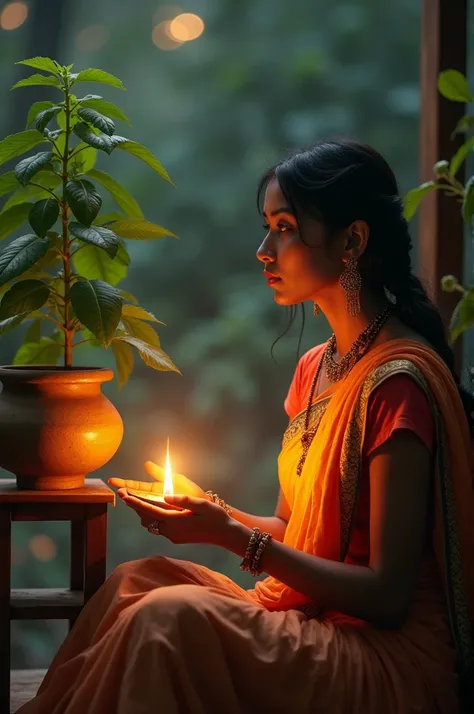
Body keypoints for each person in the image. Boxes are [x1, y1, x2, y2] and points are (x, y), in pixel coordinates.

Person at [18, 140, 474, 714]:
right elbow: (288, 526)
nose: (264, 250)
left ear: (352, 241)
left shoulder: (397, 382)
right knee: (138, 583)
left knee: (168, 619)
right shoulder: (317, 367)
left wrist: (233, 537)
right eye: (267, 227)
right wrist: (207, 512)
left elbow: (385, 595)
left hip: (382, 656)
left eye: (285, 227)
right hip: (313, 616)